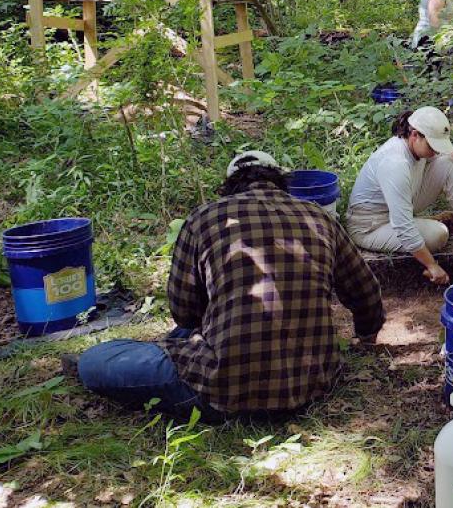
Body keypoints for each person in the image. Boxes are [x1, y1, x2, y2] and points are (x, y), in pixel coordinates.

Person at [71, 151, 385, 422]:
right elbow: (365, 292)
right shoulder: (320, 218)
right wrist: (366, 333)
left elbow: (184, 312)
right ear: (280, 181)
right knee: (180, 337)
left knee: (95, 360)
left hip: (222, 389)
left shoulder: (204, 218)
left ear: (229, 186)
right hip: (312, 383)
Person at [346, 107, 453, 285]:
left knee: (447, 164)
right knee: (438, 235)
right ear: (415, 135)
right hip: (371, 227)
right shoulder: (395, 163)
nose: (436, 151)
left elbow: (445, 155)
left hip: (397, 206)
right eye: (433, 146)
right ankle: (425, 224)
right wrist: (432, 265)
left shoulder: (414, 144)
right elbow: (403, 226)